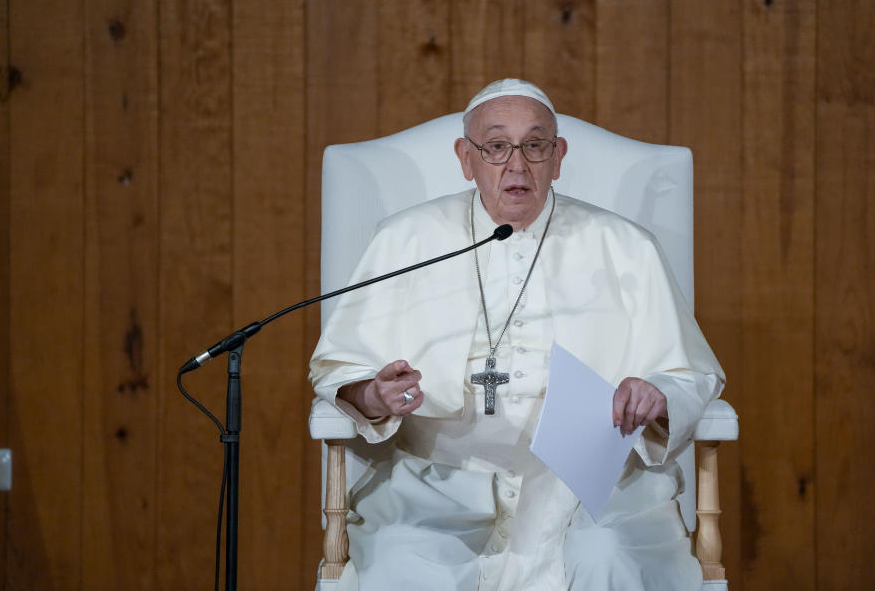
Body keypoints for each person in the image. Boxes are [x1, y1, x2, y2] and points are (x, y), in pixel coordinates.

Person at [308, 78, 725, 591]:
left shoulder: (626, 246)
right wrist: (372, 393)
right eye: (497, 146)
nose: (517, 165)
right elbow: (339, 368)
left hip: (593, 490)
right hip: (437, 490)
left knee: (608, 559)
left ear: (558, 156)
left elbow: (692, 373)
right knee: (400, 566)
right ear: (466, 158)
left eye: (535, 145)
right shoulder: (405, 239)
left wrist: (657, 394)